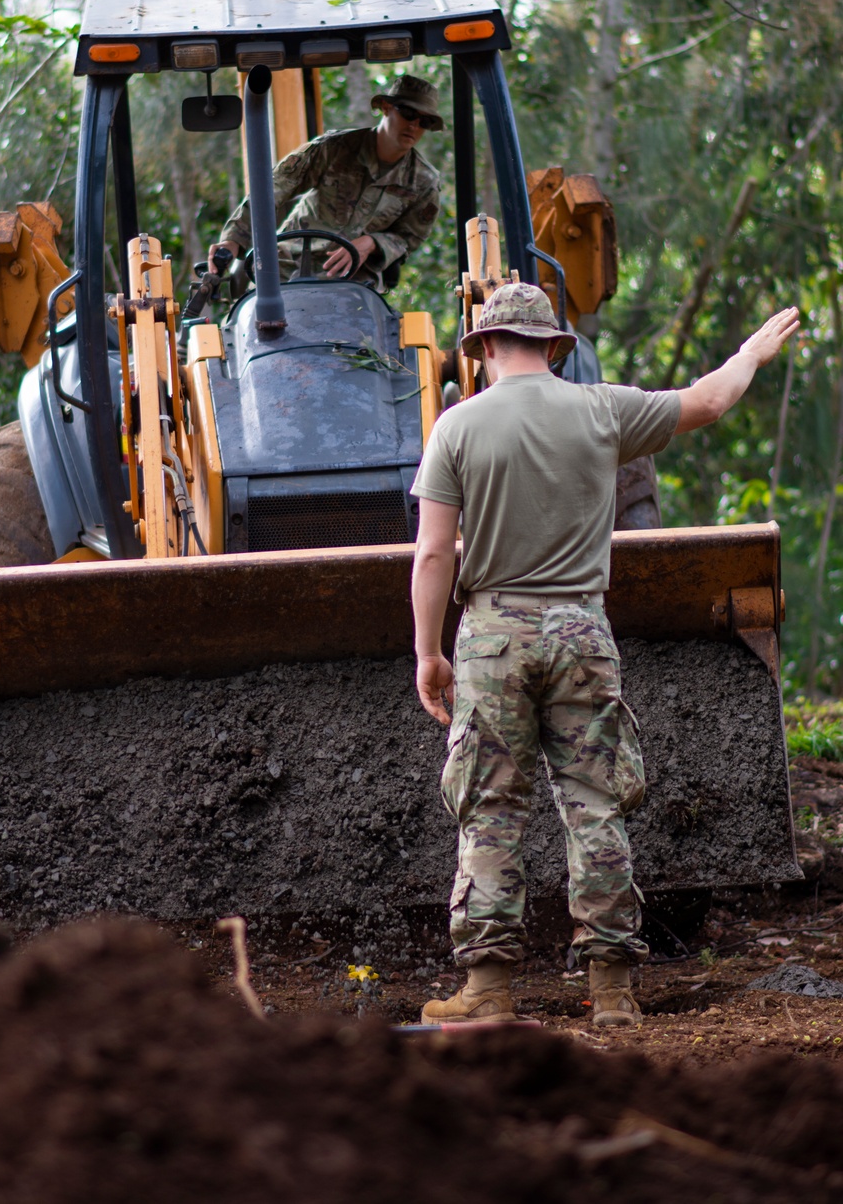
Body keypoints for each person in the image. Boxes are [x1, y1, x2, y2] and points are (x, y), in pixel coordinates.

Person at [410, 283, 800, 1029]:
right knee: (595, 803)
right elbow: (709, 401)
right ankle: (614, 991)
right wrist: (750, 353)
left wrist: (428, 652)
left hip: (493, 636)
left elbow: (432, 554)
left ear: (484, 346)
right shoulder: (602, 410)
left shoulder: (456, 426)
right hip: (582, 631)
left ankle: (487, 990)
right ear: (554, 347)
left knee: (491, 807)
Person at [208, 75, 442, 289]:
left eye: (425, 121)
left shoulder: (423, 182)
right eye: (408, 113)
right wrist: (233, 240)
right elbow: (272, 190)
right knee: (256, 317)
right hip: (287, 269)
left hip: (354, 282)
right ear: (386, 107)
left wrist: (372, 242)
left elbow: (409, 237)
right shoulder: (333, 149)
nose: (414, 125)